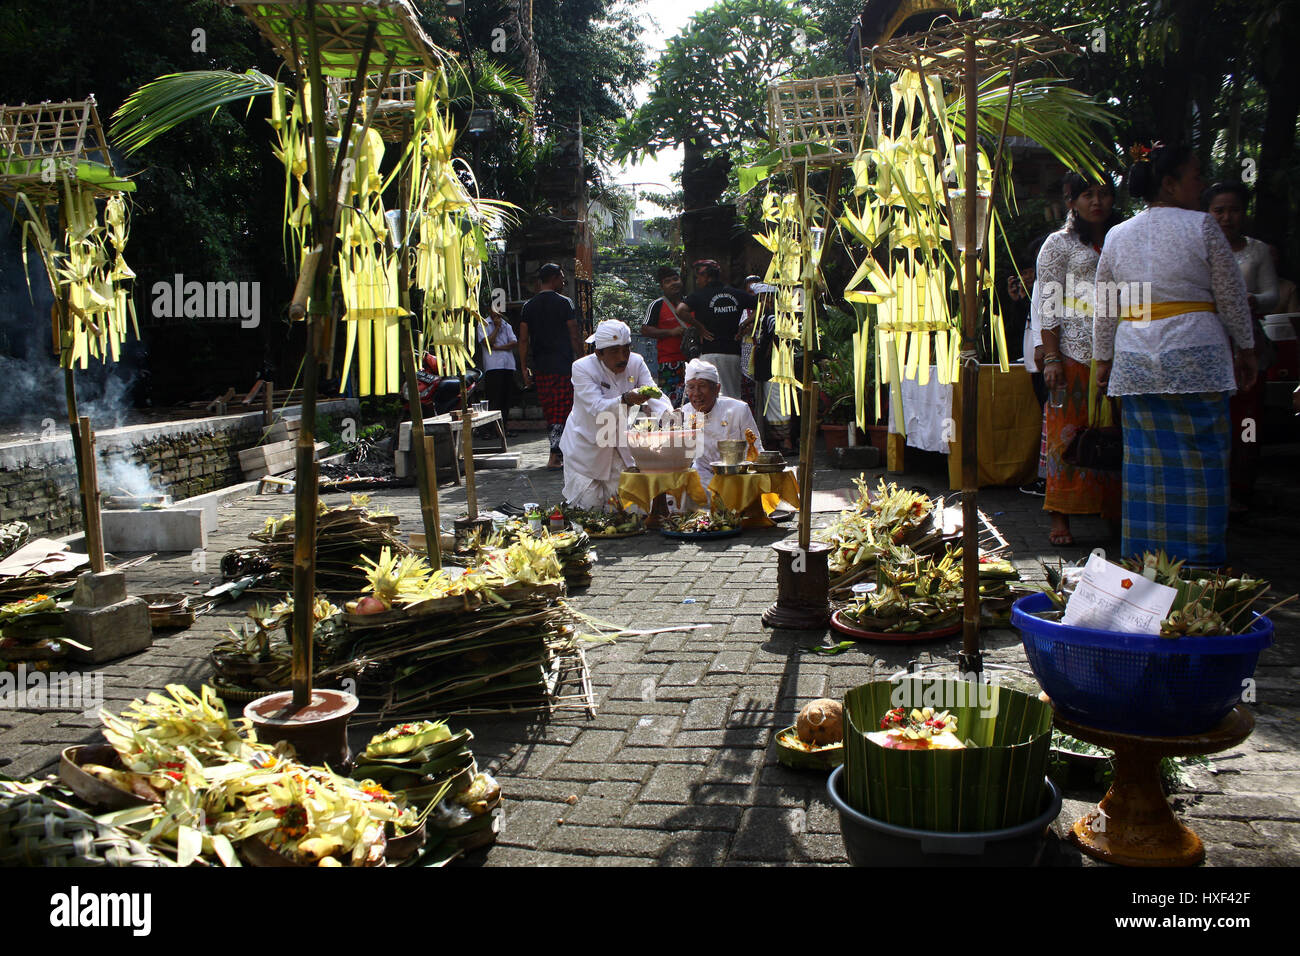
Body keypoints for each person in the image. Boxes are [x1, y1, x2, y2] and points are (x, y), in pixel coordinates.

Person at [1093, 143, 1257, 567]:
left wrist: (1103, 359)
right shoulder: (1203, 226)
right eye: (1195, 176)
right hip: (1195, 355)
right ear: (1169, 183)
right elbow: (1231, 296)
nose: (1201, 184)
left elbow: (1105, 306)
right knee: (1202, 460)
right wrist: (1246, 347)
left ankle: (1146, 562)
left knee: (1145, 466)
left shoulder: (1117, 234)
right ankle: (1198, 562)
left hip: (1137, 362)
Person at [1035, 172, 1123, 545]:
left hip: (1118, 354)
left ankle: (1114, 512)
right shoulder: (1059, 244)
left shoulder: (1122, 238)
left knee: (1113, 435)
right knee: (1066, 437)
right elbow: (1048, 302)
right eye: (1088, 194)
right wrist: (1052, 357)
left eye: (1103, 193)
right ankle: (1060, 518)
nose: (1097, 201)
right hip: (1072, 353)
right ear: (1071, 201)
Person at [1205, 181, 1279, 513]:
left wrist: (1253, 300)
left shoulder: (1258, 251)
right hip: (1209, 343)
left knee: (1247, 418)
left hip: (1248, 344)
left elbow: (1272, 295)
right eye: (1218, 211)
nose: (1226, 218)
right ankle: (1213, 485)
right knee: (1214, 416)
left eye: (1233, 210)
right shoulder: (1199, 249)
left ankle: (1242, 483)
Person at [560, 319, 671, 509]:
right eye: (614, 351)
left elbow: (654, 394)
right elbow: (596, 407)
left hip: (619, 445)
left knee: (627, 508)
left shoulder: (636, 362)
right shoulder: (582, 367)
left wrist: (669, 417)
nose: (622, 357)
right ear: (599, 353)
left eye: (626, 349)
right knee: (589, 507)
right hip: (585, 446)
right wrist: (626, 399)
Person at [519, 263, 584, 470]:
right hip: (562, 366)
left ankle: (558, 453)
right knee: (563, 410)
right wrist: (583, 359)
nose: (564, 282)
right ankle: (556, 455)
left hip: (541, 368)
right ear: (554, 278)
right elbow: (574, 334)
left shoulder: (528, 306)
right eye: (562, 278)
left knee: (551, 410)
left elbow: (523, 340)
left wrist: (523, 368)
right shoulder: (565, 303)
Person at [675, 259, 756, 399]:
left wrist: (699, 327)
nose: (697, 281)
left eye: (698, 277)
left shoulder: (698, 295)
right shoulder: (736, 294)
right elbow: (761, 305)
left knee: (709, 397)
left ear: (706, 276)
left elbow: (680, 310)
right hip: (732, 354)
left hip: (709, 352)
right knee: (732, 397)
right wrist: (744, 324)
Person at [679, 357, 762, 488]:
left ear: (717, 389)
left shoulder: (738, 410)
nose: (696, 393)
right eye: (691, 387)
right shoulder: (683, 414)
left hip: (739, 478)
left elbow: (756, 449)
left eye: (702, 386)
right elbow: (678, 459)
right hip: (701, 480)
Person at [749, 281, 796, 454]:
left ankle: (785, 441)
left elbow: (778, 337)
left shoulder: (773, 315)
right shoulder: (769, 315)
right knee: (774, 402)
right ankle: (778, 441)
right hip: (770, 366)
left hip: (774, 367)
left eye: (761, 298)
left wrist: (769, 355)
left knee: (777, 402)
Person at [640, 266, 689, 406]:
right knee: (669, 402)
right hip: (669, 362)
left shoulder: (691, 302)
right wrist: (670, 332)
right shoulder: (657, 305)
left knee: (693, 399)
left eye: (675, 279)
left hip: (693, 360)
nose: (673, 283)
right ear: (662, 287)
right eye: (668, 281)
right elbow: (645, 329)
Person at [476, 309, 519, 436]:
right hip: (493, 366)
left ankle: (503, 428)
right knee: (494, 399)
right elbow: (488, 343)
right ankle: (489, 429)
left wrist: (499, 348)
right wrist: (496, 328)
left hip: (508, 365)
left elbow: (514, 342)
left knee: (506, 398)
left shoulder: (507, 325)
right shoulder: (483, 325)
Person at [737, 274, 762, 411]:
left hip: (764, 359)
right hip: (746, 360)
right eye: (750, 292)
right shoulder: (742, 311)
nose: (754, 295)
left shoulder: (769, 310)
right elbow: (741, 330)